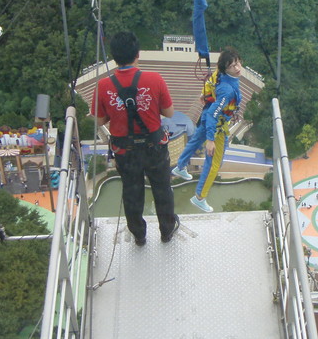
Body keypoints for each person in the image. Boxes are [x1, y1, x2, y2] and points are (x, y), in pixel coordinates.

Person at [94, 32, 178, 244]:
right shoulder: (155, 79)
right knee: (162, 189)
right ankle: (167, 231)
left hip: (125, 150)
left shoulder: (103, 86)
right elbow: (169, 113)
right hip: (155, 147)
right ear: (137, 54)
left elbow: (99, 120)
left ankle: (139, 235)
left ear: (114, 57)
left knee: (132, 192)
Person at [172, 48, 243, 213]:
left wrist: (204, 96)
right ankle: (199, 197)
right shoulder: (228, 90)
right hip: (216, 126)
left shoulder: (219, 74)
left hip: (206, 117)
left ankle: (180, 166)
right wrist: (211, 140)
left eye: (238, 63)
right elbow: (214, 114)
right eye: (233, 66)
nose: (238, 68)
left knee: (195, 141)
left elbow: (209, 89)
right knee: (214, 164)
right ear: (226, 69)